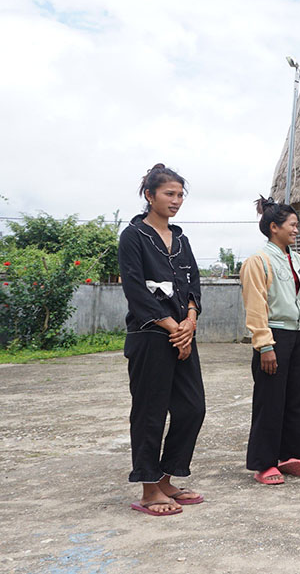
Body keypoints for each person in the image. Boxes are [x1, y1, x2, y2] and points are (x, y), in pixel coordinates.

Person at [118, 164, 204, 516]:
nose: (176, 201)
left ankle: (166, 479)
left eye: (181, 195)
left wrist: (190, 322)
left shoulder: (181, 240)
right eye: (170, 194)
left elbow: (193, 286)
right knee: (150, 413)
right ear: (149, 195)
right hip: (151, 336)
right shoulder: (134, 236)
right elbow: (136, 291)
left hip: (184, 334)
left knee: (192, 408)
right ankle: (149, 489)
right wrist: (173, 327)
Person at [239, 197, 300, 486]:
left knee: (296, 398)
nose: (296, 230)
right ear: (274, 227)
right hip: (274, 335)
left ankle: (289, 454)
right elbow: (256, 305)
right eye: (292, 225)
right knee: (270, 400)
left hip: (298, 335)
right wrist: (264, 344)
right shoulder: (258, 261)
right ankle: (264, 463)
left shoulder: (297, 260)